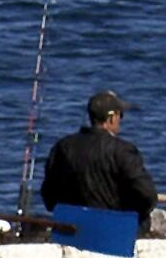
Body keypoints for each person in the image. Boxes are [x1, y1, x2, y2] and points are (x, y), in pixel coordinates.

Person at [40, 90, 158, 228]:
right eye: (120, 115)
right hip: (113, 233)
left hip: (72, 232)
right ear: (112, 119)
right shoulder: (123, 151)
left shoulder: (62, 147)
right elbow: (148, 197)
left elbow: (49, 198)